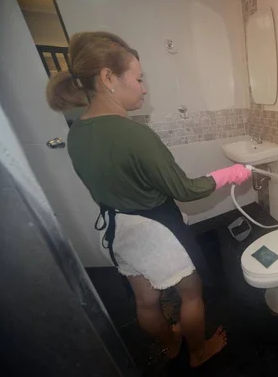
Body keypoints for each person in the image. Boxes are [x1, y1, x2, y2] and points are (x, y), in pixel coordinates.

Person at [46, 31, 252, 367]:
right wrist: (230, 174)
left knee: (145, 301)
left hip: (116, 230)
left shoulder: (77, 133)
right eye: (139, 78)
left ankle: (171, 344)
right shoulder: (135, 134)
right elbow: (184, 189)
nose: (144, 88)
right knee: (191, 292)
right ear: (108, 78)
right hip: (156, 229)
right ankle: (198, 353)